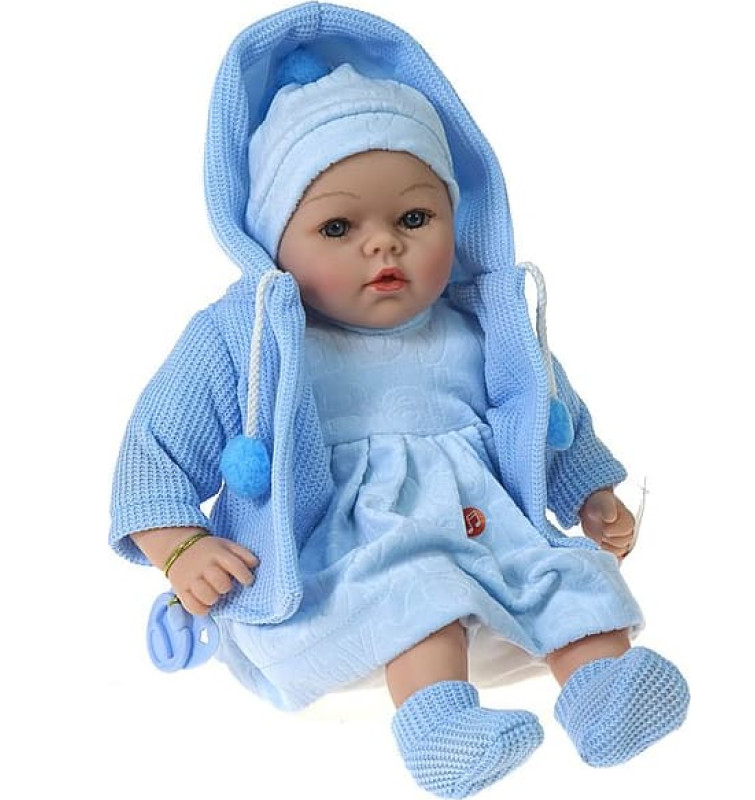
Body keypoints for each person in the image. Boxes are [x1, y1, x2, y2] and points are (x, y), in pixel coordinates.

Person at [110, 5, 688, 798]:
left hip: (492, 531)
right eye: (338, 226)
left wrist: (589, 493)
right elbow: (155, 449)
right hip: (347, 553)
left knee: (567, 575)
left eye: (415, 216)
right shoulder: (250, 341)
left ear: (457, 215)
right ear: (273, 241)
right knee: (419, 593)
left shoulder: (482, 325)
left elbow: (546, 413)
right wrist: (180, 547)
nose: (383, 244)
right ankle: (441, 727)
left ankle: (604, 695)